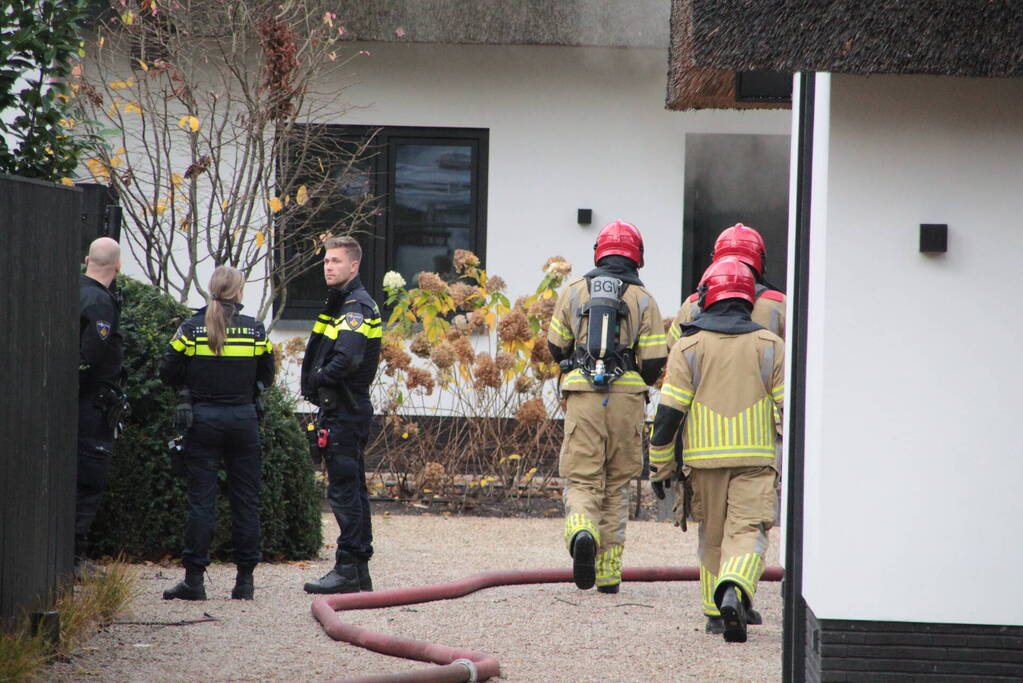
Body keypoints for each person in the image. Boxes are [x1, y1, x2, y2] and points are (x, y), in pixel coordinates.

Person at [648, 256, 784, 642]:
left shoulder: (688, 346)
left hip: (701, 463)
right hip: (755, 460)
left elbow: (668, 416)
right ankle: (734, 589)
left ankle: (713, 612)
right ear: (747, 299)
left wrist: (659, 468)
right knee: (748, 531)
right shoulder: (771, 345)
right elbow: (790, 410)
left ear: (707, 297)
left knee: (711, 535)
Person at [547, 221, 667, 593]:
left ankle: (582, 530)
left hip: (583, 395)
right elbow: (653, 362)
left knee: (583, 480)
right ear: (637, 256)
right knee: (616, 485)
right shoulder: (645, 300)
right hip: (627, 400)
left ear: (599, 251)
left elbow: (555, 347)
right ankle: (609, 575)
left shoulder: (572, 292)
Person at [159, 266, 275, 600]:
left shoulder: (192, 328)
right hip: (243, 420)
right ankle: (245, 583)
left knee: (201, 503)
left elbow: (167, 369)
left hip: (203, 421)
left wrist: (185, 391)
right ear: (238, 293)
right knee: (247, 502)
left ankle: (194, 582)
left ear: (211, 289)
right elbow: (267, 373)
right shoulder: (254, 330)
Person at [301, 236, 382, 594]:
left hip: (345, 411)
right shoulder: (341, 303)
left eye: (336, 261)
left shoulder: (354, 307)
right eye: (326, 261)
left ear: (354, 266)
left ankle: (348, 568)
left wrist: (317, 380)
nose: (328, 266)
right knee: (352, 489)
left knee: (345, 492)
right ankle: (357, 569)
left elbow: (347, 359)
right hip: (344, 410)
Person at [77, 237, 127, 574]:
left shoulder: (72, 291)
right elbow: (88, 360)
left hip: (74, 405)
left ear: (86, 260)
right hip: (91, 407)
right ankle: (74, 560)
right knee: (87, 483)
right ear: (118, 267)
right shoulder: (100, 304)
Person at [667, 223, 785, 349]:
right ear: (761, 260)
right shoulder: (780, 303)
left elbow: (673, 348)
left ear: (715, 258)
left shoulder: (692, 304)